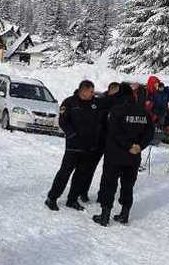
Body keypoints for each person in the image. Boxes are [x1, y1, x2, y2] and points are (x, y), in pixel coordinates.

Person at [92, 83, 155, 226]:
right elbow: (150, 132)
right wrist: (139, 146)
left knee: (109, 184)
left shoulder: (116, 110)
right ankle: (124, 214)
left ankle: (105, 215)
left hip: (115, 154)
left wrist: (129, 146)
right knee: (128, 185)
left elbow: (114, 132)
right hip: (133, 157)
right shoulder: (144, 112)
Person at [45, 80, 102, 211]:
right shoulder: (69, 102)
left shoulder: (95, 103)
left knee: (81, 175)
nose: (93, 93)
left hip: (88, 147)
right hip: (73, 146)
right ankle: (52, 198)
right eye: (91, 91)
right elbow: (63, 122)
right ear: (84, 90)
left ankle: (72, 199)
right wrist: (72, 135)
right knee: (64, 173)